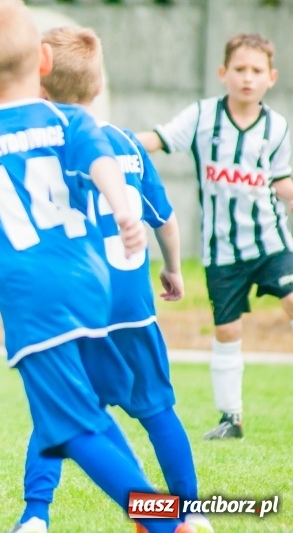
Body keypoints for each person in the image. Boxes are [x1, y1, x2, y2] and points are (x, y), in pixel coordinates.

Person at [0, 1, 197, 532]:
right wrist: (124, 208)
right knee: (92, 411)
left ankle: (167, 523)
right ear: (40, 60)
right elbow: (100, 159)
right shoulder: (68, 119)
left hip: (34, 300)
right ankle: (168, 513)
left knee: (71, 426)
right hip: (96, 282)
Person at [16, 26, 211, 533]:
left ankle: (37, 513)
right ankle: (187, 513)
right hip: (132, 306)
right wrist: (171, 266)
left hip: (74, 306)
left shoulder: (38, 148)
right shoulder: (125, 144)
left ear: (38, 84)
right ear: (99, 86)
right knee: (158, 410)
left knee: (57, 409)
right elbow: (164, 219)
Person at [138, 33, 293, 440]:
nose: (247, 78)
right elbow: (159, 138)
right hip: (220, 249)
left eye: (256, 71)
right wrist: (118, 144)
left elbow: (283, 182)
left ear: (271, 78)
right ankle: (231, 418)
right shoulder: (203, 117)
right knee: (227, 331)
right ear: (223, 73)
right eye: (239, 69)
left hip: (270, 244)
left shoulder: (277, 129)